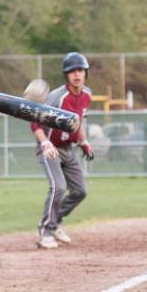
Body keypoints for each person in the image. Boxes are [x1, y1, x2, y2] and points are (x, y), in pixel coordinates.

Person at [31, 53, 94, 249]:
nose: (77, 74)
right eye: (72, 71)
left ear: (85, 73)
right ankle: (45, 232)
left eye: (80, 70)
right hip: (50, 148)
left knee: (79, 191)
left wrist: (84, 142)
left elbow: (79, 121)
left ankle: (55, 222)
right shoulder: (57, 97)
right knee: (58, 187)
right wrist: (44, 144)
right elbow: (35, 122)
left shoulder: (87, 95)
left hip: (68, 149)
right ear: (66, 75)